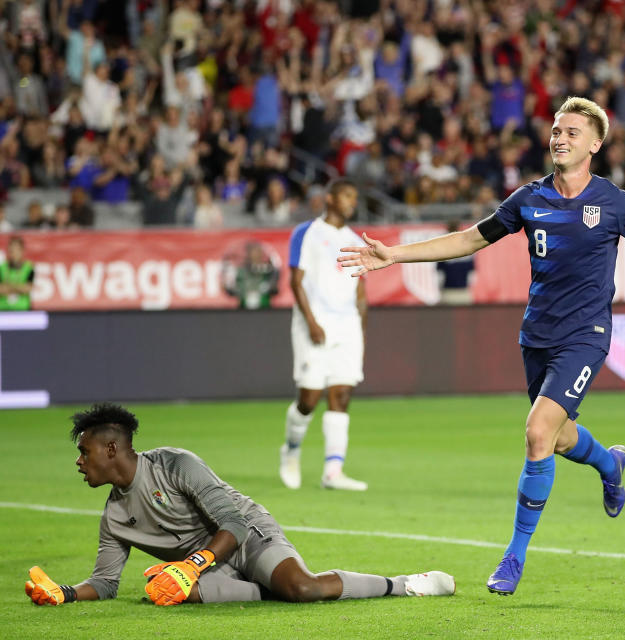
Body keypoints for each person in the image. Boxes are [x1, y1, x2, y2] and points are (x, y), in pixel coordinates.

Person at [338, 97, 625, 595]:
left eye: (572, 131)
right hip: (537, 336)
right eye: (556, 130)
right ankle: (609, 463)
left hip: (586, 337)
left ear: (595, 144)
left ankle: (513, 556)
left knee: (536, 432)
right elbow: (470, 240)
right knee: (557, 436)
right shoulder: (528, 199)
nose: (560, 137)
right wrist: (393, 256)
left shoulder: (614, 203)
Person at [24, 403, 455, 607]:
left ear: (112, 448)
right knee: (161, 592)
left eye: (85, 452)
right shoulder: (114, 517)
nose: (80, 462)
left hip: (245, 534)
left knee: (301, 589)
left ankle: (406, 584)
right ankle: (263, 586)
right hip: (209, 563)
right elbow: (105, 582)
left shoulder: (176, 464)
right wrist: (63, 593)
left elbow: (231, 521)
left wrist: (192, 564)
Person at [280, 179, 369, 491]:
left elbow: (361, 290)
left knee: (342, 395)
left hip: (347, 327)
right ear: (329, 198)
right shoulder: (307, 232)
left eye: (354, 197)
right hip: (313, 325)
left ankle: (333, 471)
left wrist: (361, 331)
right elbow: (296, 280)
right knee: (309, 398)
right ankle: (291, 451)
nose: (351, 202)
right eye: (346, 195)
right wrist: (312, 322)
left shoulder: (355, 240)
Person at [224, 241, 279, 309]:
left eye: (258, 252)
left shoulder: (268, 271)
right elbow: (231, 289)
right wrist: (242, 290)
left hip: (265, 309)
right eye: (253, 252)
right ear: (248, 254)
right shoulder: (241, 271)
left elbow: (275, 287)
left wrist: (268, 287)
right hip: (243, 309)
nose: (256, 255)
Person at [0, 236, 34, 310]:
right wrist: (19, 288)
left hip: (23, 309)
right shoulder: (2, 267)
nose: (14, 253)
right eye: (11, 250)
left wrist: (8, 287)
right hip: (3, 309)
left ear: (22, 251)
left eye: (16, 250)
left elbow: (28, 288)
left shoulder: (29, 268)